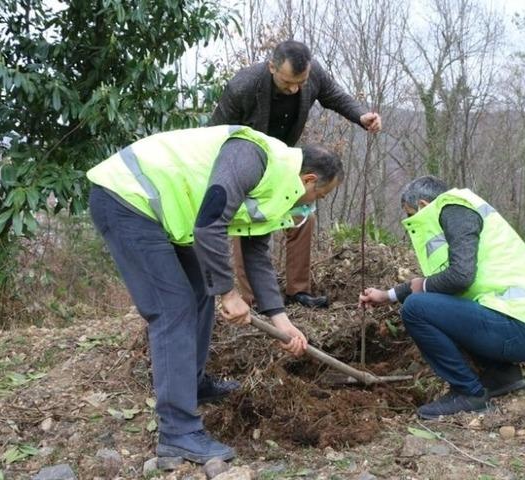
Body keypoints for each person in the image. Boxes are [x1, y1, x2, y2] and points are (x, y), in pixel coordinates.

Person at [86, 125, 343, 462]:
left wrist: (282, 322)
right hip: (127, 199)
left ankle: (192, 384)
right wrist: (228, 293)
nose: (314, 207)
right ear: (309, 181)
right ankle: (178, 432)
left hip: (165, 217)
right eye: (319, 198)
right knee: (173, 308)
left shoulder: (277, 187)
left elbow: (256, 255)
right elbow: (209, 223)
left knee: (199, 290)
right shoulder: (253, 157)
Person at [359, 176, 525, 419]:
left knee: (415, 309)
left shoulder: (455, 210)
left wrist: (418, 288)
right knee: (435, 305)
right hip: (521, 326)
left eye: (410, 213)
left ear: (423, 205)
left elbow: (459, 278)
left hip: (519, 328)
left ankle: (469, 393)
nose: (410, 220)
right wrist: (388, 295)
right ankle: (501, 376)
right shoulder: (460, 210)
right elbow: (442, 282)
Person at [210, 39, 381, 309]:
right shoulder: (242, 86)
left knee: (304, 215)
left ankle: (298, 291)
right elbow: (215, 133)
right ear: (271, 67)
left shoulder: (311, 75)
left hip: (285, 160)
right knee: (248, 225)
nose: (294, 89)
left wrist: (361, 116)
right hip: (244, 164)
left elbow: (334, 96)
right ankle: (252, 299)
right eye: (288, 82)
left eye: (300, 82)